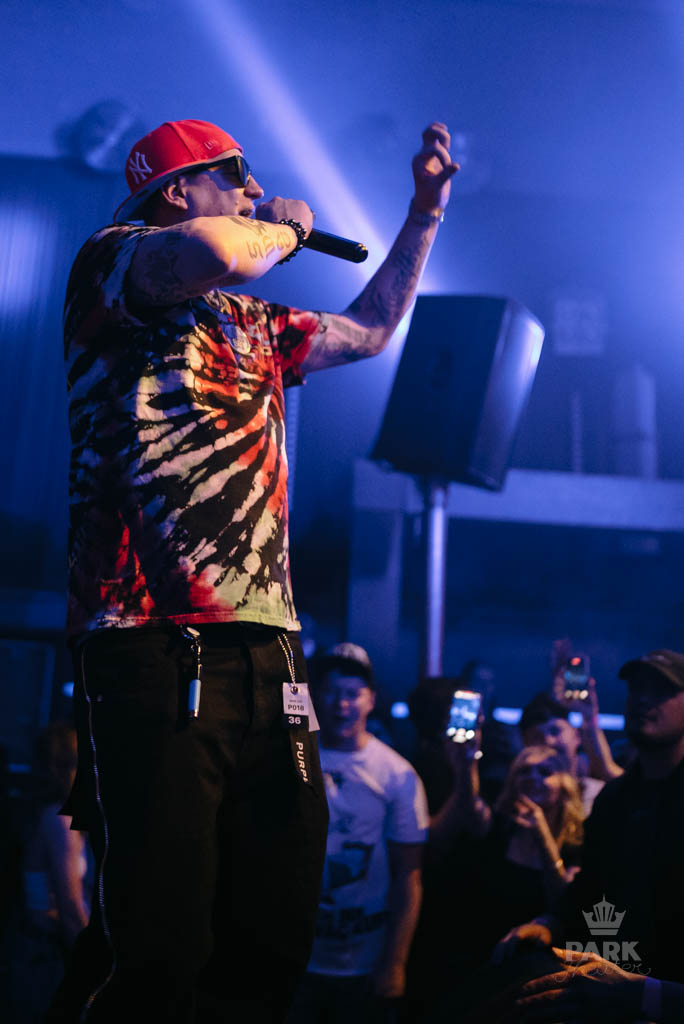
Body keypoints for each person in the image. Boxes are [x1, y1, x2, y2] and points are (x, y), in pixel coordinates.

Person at [51, 118, 457, 1023]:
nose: (250, 187)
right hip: (156, 638)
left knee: (273, 919)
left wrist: (424, 214)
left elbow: (371, 331)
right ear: (177, 189)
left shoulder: (253, 321)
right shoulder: (115, 262)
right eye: (234, 172)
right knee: (160, 937)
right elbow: (213, 252)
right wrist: (287, 226)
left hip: (269, 644)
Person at [492, 648, 684, 1022]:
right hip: (606, 998)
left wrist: (644, 993)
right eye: (636, 688)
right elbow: (590, 890)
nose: (643, 699)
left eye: (661, 690)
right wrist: (550, 923)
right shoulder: (616, 799)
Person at [290, 643, 429, 1022]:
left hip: (365, 961)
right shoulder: (293, 757)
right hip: (297, 957)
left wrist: (395, 963)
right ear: (316, 695)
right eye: (332, 691)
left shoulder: (396, 774)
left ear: (371, 700)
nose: (341, 704)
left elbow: (409, 874)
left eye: (352, 693)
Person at [11, 723, 90, 1023]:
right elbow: (69, 909)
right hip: (48, 959)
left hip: (38, 952)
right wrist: (96, 965)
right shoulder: (60, 821)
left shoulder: (46, 812)